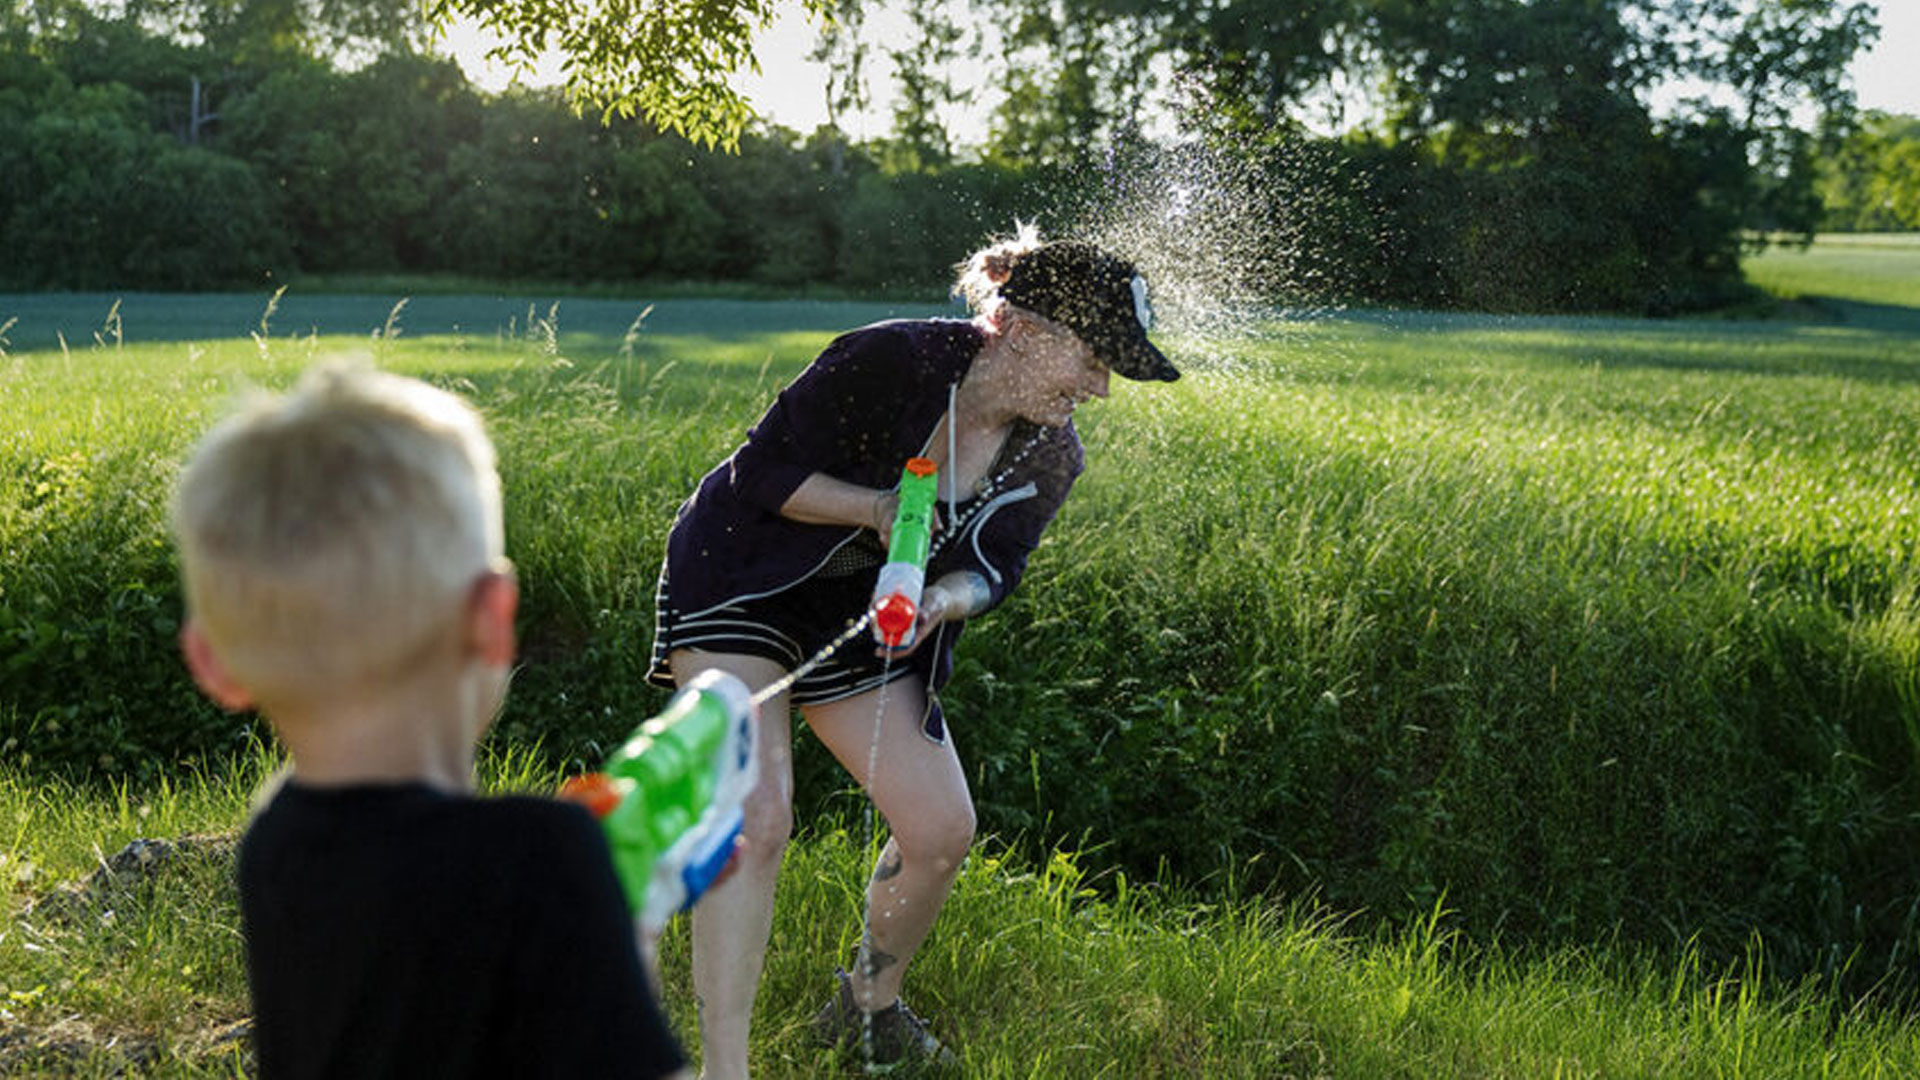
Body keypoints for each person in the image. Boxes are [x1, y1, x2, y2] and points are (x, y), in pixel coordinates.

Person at [647, 226, 1180, 1075]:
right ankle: (723, 1066)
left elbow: (995, 567)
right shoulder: (889, 360)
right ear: (1029, 327)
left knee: (939, 829)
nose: (1101, 388)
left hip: (870, 608)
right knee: (758, 812)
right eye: (1093, 357)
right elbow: (761, 474)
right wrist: (877, 509)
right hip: (743, 574)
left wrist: (944, 598)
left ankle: (866, 1007)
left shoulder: (1052, 451)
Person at [171, 362, 692, 1080]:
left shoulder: (276, 842)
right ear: (494, 619)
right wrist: (626, 934)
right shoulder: (545, 859)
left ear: (212, 662)